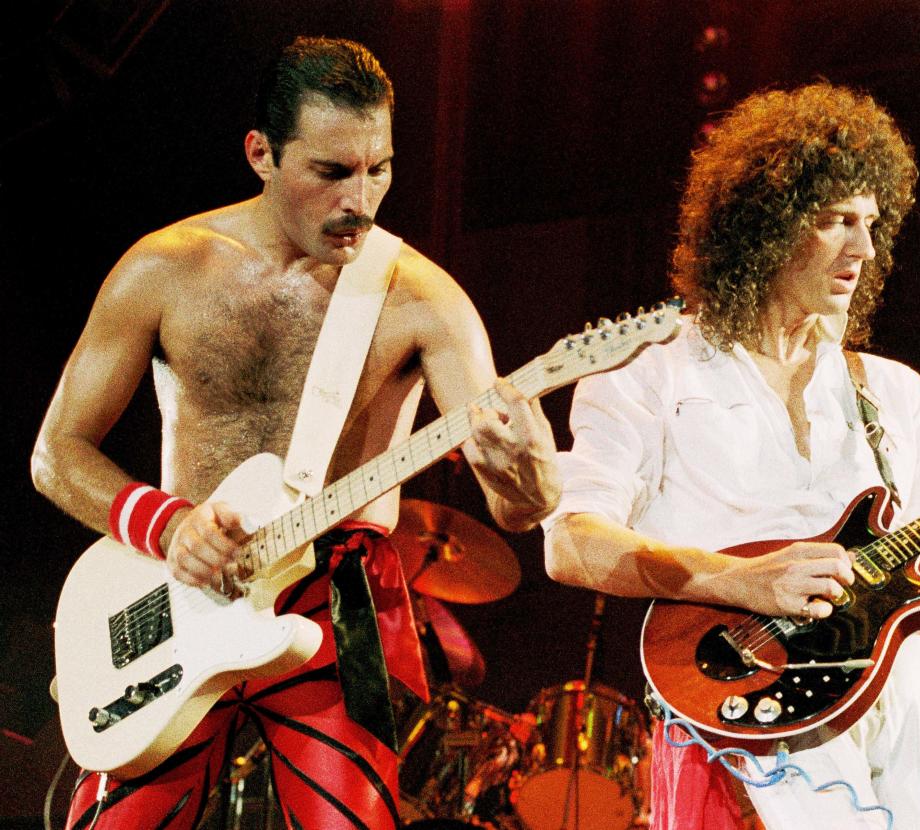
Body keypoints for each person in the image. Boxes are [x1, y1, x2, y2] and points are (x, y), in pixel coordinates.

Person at [542, 81, 920, 829]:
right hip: (766, 701)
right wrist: (744, 581)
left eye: (872, 223)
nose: (864, 250)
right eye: (838, 221)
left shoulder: (894, 392)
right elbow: (570, 543)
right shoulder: (650, 375)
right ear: (763, 225)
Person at [32, 36, 560, 830]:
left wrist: (527, 474)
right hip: (181, 584)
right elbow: (56, 453)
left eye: (378, 168)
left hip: (347, 591)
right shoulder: (164, 267)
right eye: (331, 172)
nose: (362, 199)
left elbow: (520, 510)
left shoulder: (425, 299)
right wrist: (168, 524)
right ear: (261, 154)